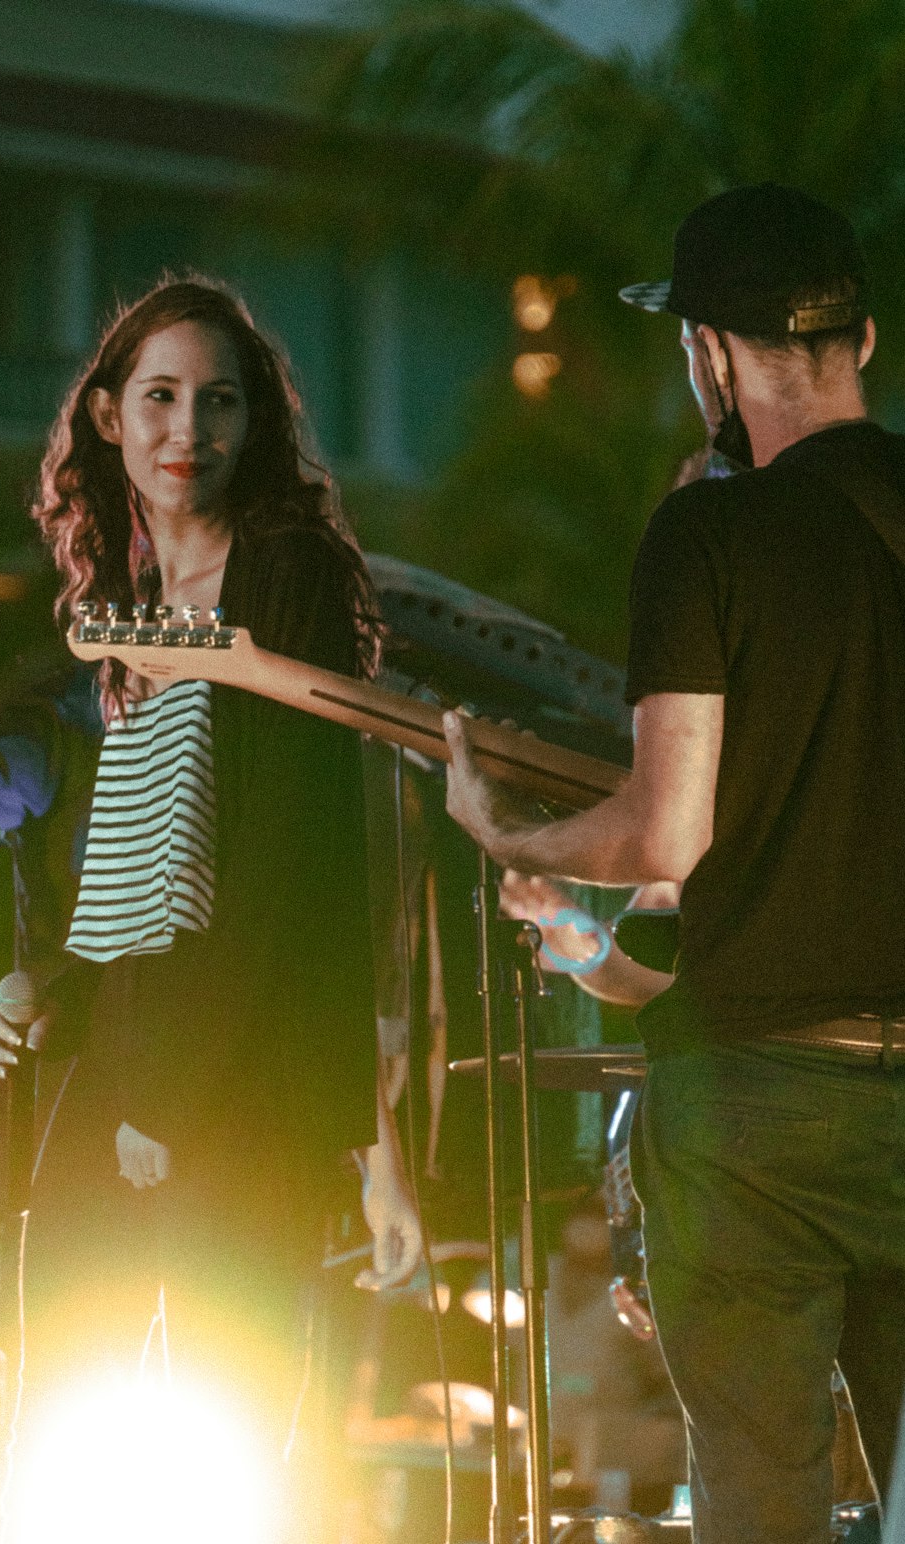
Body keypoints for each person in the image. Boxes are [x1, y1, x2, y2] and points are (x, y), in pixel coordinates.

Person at [442, 182, 905, 1544]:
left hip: (761, 1103)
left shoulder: (709, 534)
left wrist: (507, 830)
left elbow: (666, 832)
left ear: (705, 350)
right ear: (860, 339)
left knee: (763, 1502)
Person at [0, 276, 420, 1534]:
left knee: (230, 1451)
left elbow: (292, 870)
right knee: (59, 1423)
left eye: (219, 401)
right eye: (162, 396)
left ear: (254, 424)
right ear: (108, 419)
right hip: (115, 1059)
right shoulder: (115, 611)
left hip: (222, 1081)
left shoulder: (279, 579)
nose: (190, 428)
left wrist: (179, 1093)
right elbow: (127, 879)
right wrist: (44, 992)